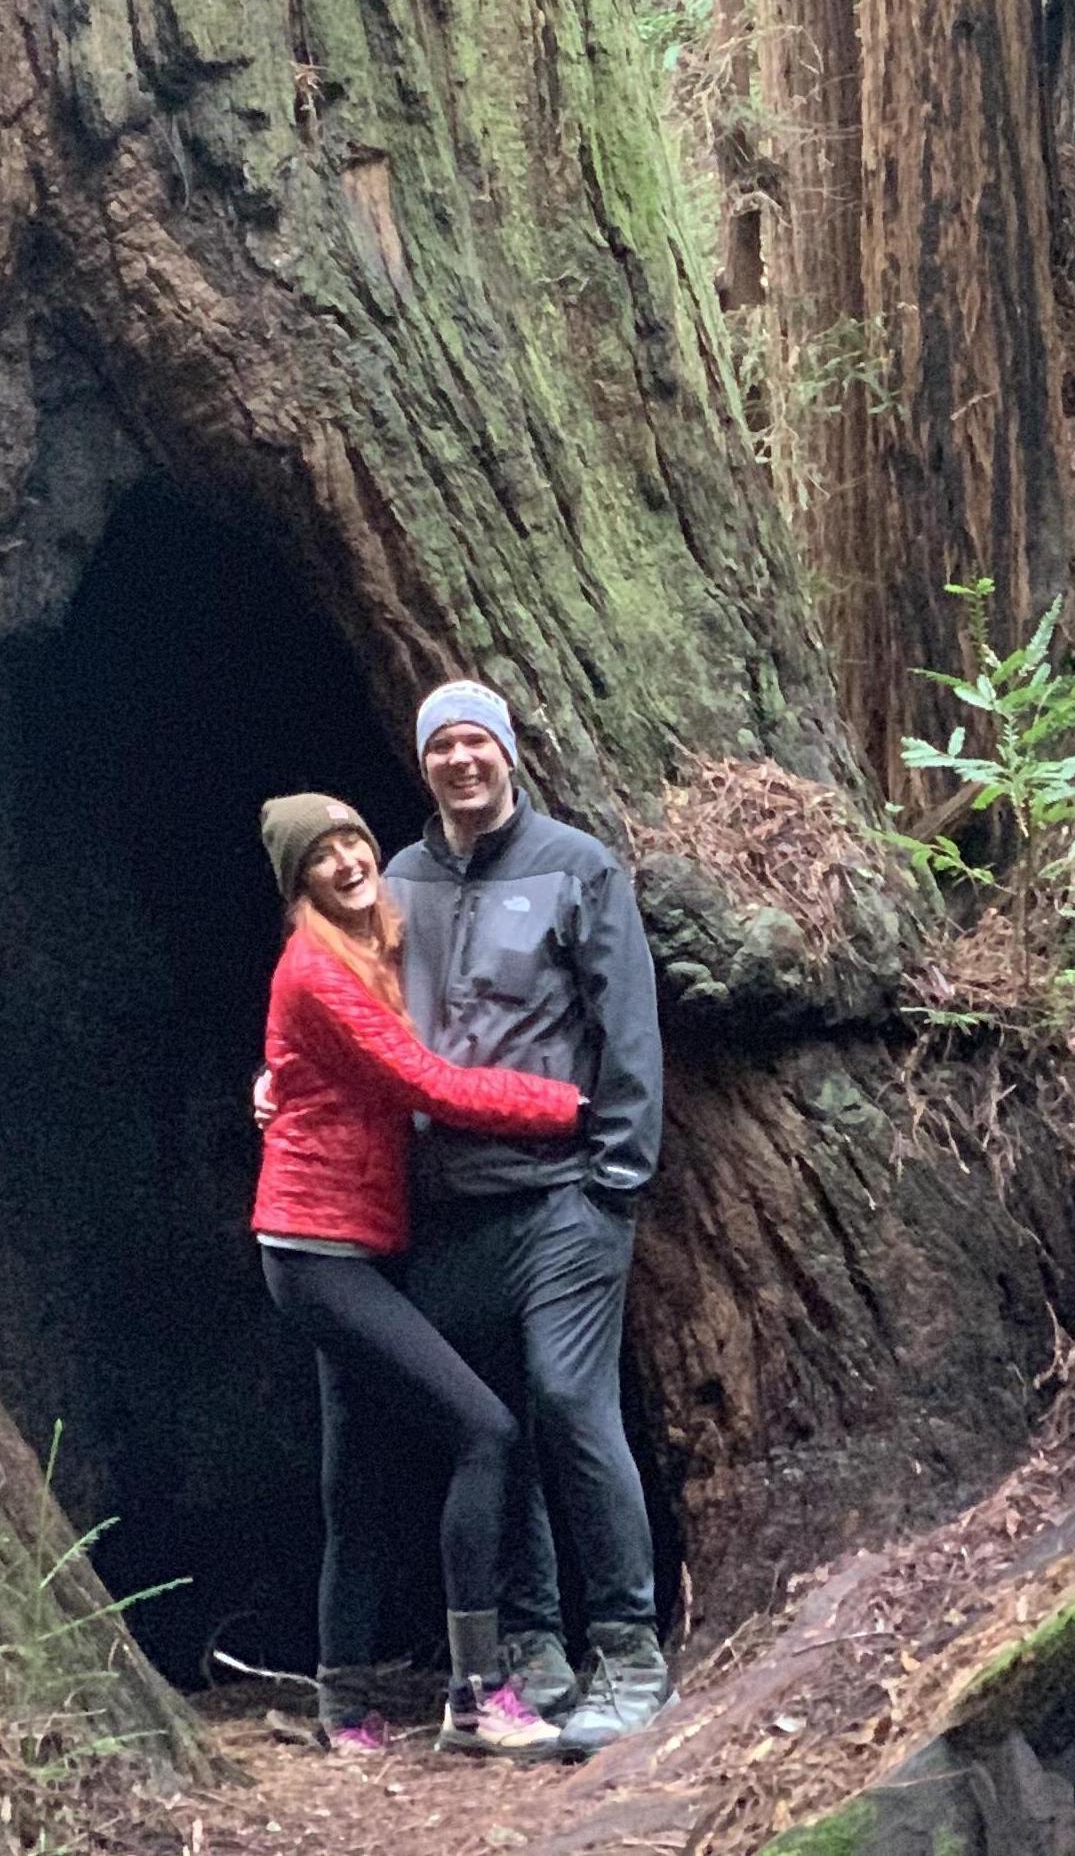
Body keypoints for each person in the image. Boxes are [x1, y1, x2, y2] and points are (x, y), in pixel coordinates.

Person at [251, 791, 587, 1763]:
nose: (349, 860)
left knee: (354, 1483)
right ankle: (475, 1692)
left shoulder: (381, 944)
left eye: (354, 838)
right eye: (323, 855)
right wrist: (566, 1103)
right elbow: (426, 1083)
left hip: (355, 1241)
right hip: (315, 1249)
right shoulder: (316, 969)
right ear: (299, 882)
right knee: (485, 1428)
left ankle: (340, 1702)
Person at [388, 679, 670, 1756]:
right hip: (450, 1202)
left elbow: (626, 1022)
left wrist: (615, 1174)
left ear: (507, 752)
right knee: (485, 1421)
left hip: (562, 1194)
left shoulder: (575, 865)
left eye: (476, 741)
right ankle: (535, 1647)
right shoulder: (399, 882)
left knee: (566, 1399)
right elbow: (350, 1007)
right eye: (442, 745)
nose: (462, 760)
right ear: (425, 763)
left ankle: (629, 1651)